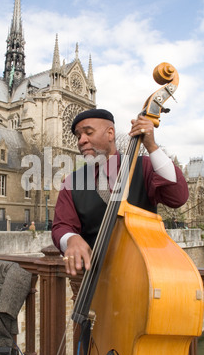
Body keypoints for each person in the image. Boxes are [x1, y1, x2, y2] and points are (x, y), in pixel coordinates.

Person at [52, 108, 189, 276]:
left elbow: (177, 197)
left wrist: (151, 146)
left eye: (88, 132)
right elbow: (62, 225)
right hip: (97, 280)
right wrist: (71, 239)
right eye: (78, 136)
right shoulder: (71, 182)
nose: (81, 140)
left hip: (146, 275)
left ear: (110, 133)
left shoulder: (143, 166)